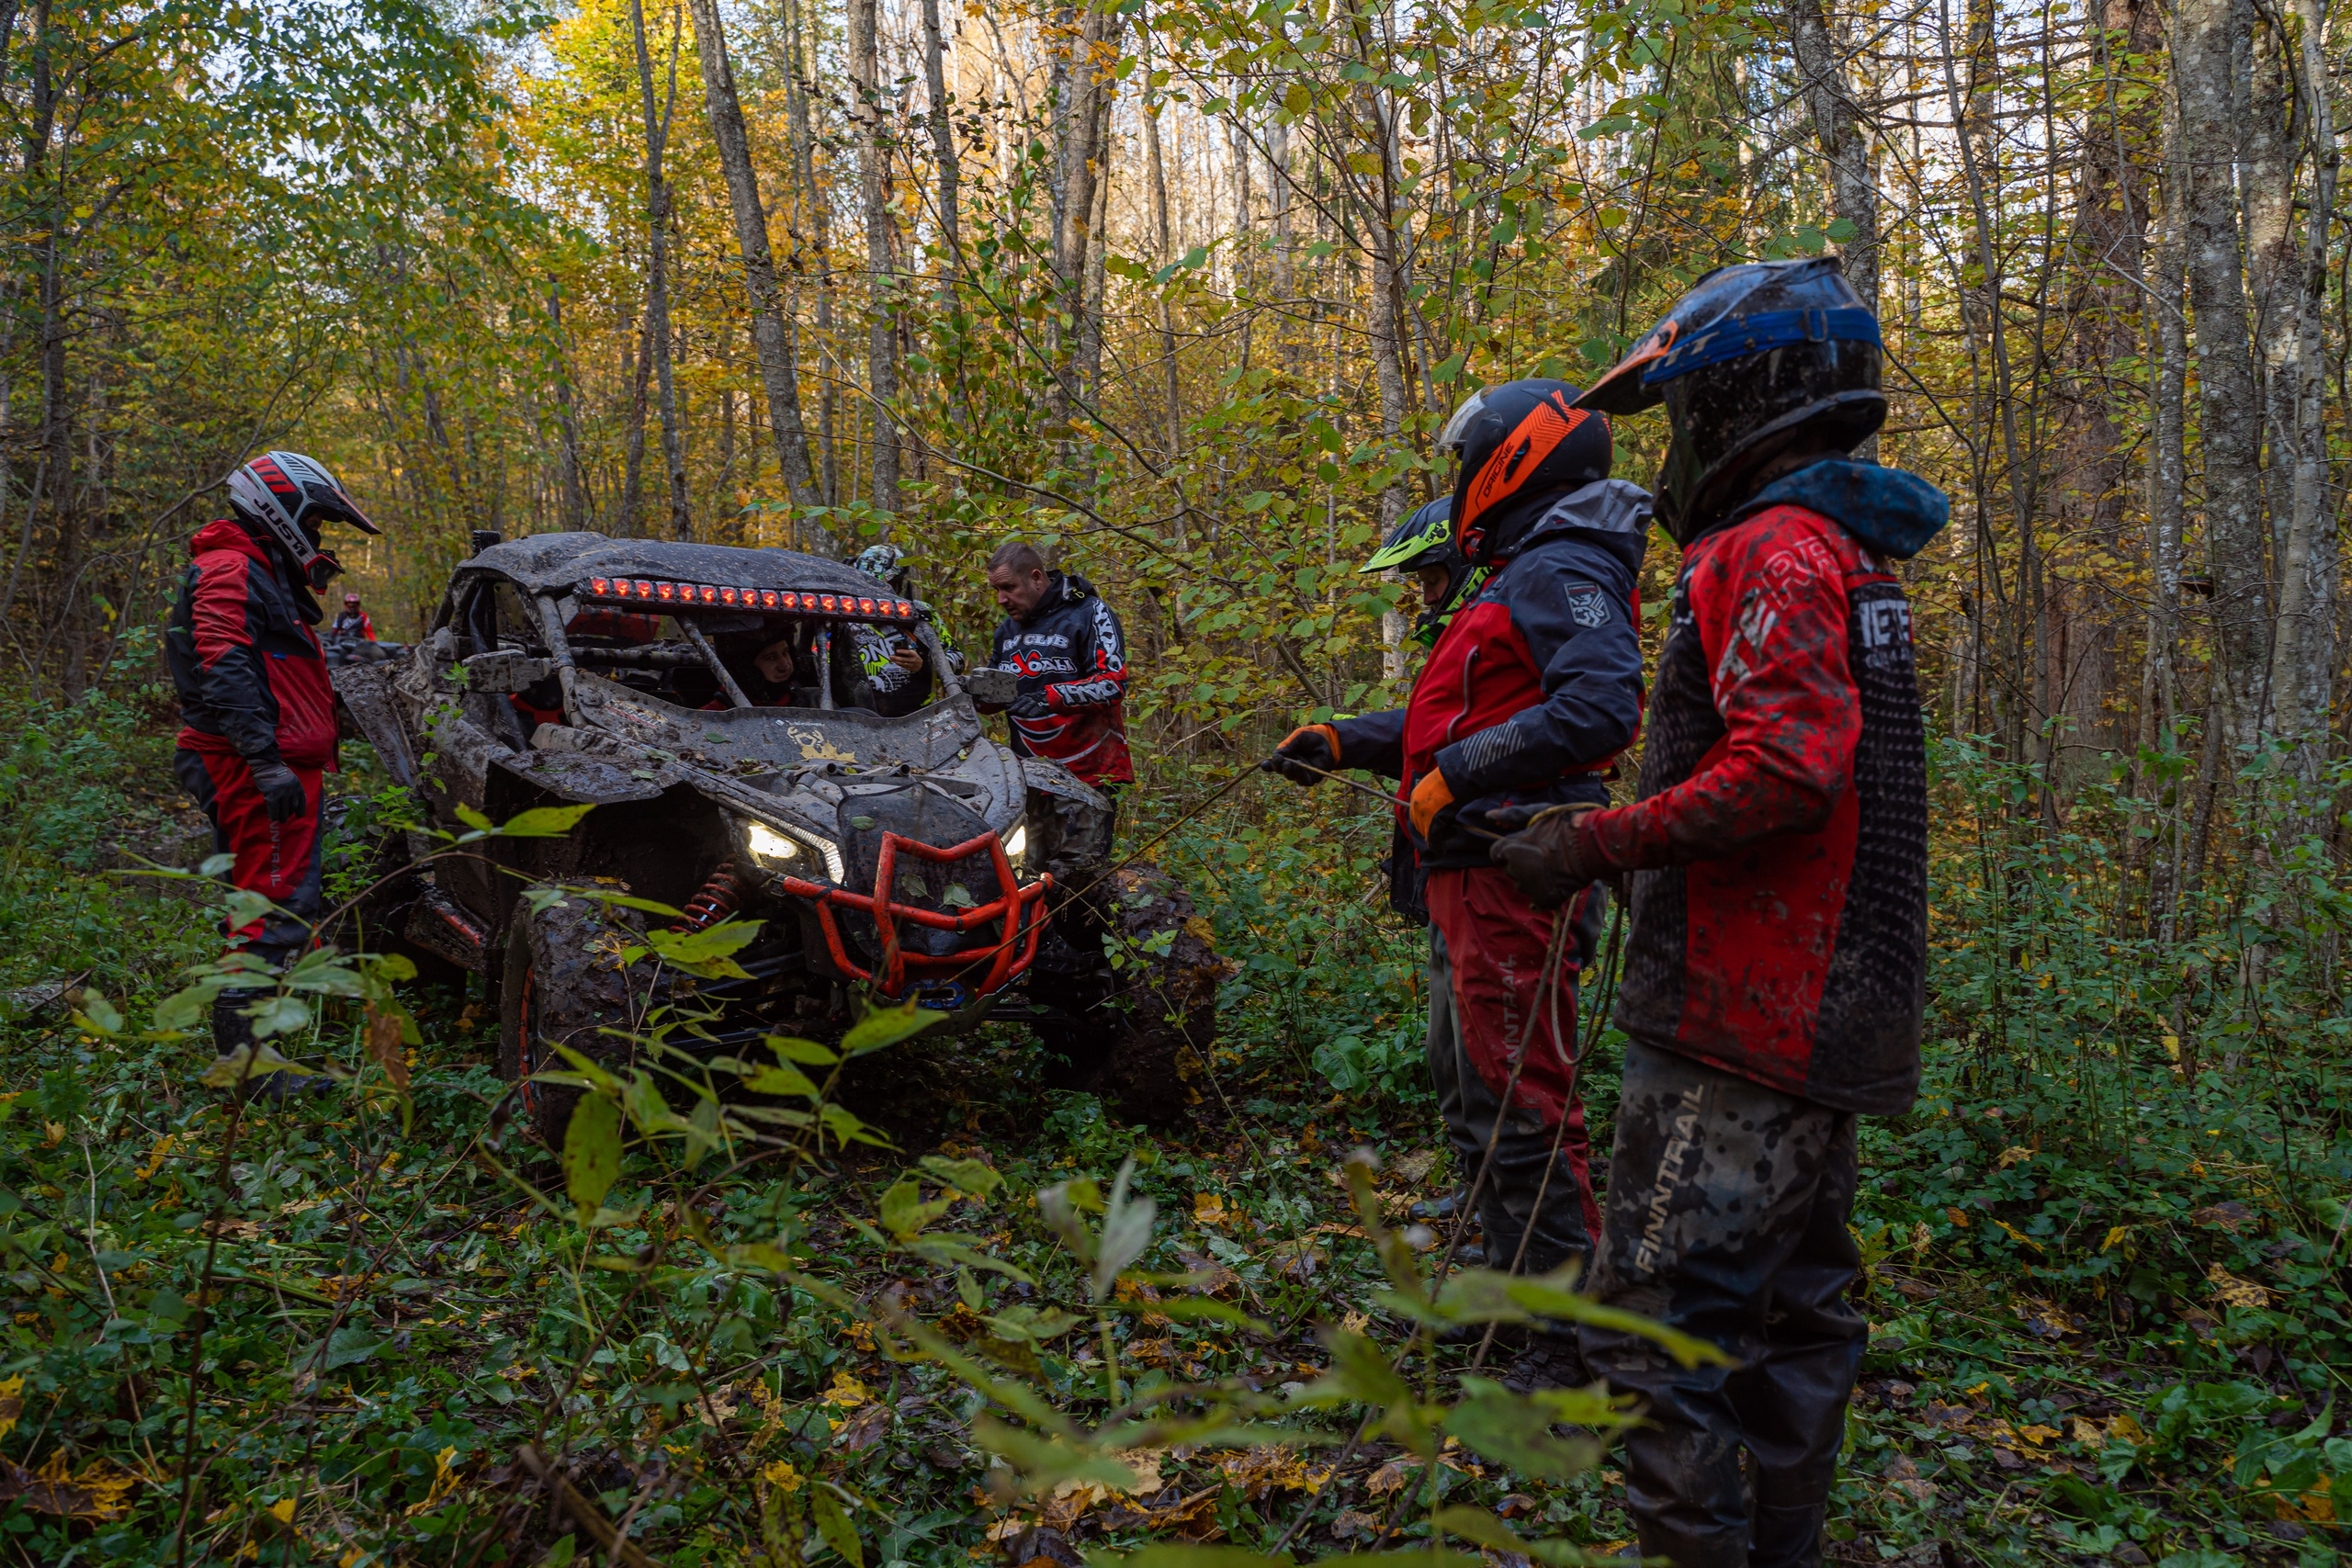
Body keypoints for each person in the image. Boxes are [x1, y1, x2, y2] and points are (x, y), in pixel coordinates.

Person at [1487, 257, 1946, 1568]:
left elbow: (1785, 765)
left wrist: (1584, 841)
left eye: (1687, 413)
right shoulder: (1845, 546)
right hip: (1820, 1005)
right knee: (1800, 1309)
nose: (1677, 443)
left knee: (1663, 1325)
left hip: (1740, 1016)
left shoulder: (1771, 546)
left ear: (1741, 399)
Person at [1267, 380, 1648, 1380]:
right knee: (1474, 1101)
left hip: (1512, 876)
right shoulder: (1513, 573)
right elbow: (1459, 726)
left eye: (1462, 460)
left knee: (1523, 1106)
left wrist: (1460, 774)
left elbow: (1602, 708)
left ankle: (1572, 1343)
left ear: (1511, 459)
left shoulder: (1563, 566)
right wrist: (1344, 741)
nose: (1455, 480)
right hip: (1465, 875)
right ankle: (1507, 1307)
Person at [166, 450, 380, 1094]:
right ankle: (252, 1073)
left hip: (264, 760)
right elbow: (223, 662)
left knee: (262, 903)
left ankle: (257, 1056)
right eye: (312, 523)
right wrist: (265, 762)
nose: (316, 540)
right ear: (279, 508)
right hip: (253, 766)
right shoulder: (232, 568)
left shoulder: (255, 570)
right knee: (273, 907)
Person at [981, 540, 1131, 880]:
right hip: (1027, 778)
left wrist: (1051, 696)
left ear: (1036, 578)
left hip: (1087, 775)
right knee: (1024, 878)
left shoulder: (1090, 612)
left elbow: (1113, 683)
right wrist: (966, 690)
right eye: (996, 590)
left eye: (1008, 588)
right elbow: (994, 697)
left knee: (1077, 881)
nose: (1002, 600)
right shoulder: (1006, 632)